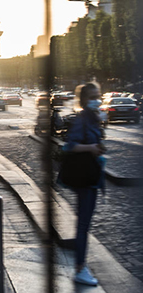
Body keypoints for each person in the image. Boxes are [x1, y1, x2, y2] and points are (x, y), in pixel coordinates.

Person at [64, 83, 106, 286]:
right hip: (86, 178)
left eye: (98, 95)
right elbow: (69, 145)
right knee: (83, 225)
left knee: (83, 223)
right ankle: (80, 268)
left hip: (91, 177)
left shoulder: (94, 117)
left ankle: (81, 263)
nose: (97, 99)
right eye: (93, 96)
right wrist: (91, 147)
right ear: (84, 100)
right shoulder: (82, 119)